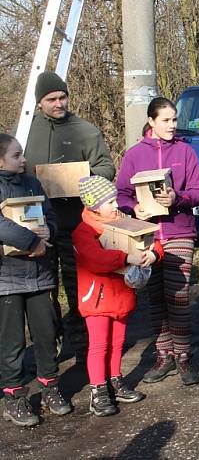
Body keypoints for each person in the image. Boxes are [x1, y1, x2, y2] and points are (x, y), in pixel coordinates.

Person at [23, 71, 116, 363]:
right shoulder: (26, 132)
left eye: (62, 97)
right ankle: (50, 342)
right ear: (39, 102)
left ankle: (82, 343)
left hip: (78, 223)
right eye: (51, 99)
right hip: (38, 225)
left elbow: (106, 168)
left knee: (78, 285)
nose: (58, 103)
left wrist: (80, 177)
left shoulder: (85, 131)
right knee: (44, 286)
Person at [117, 97, 199, 386]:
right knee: (155, 297)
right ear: (151, 121)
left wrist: (177, 199)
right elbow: (122, 195)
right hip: (147, 235)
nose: (172, 125)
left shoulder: (185, 151)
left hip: (179, 232)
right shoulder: (133, 155)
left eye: (174, 119)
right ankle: (163, 354)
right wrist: (134, 209)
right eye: (166, 120)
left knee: (177, 295)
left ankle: (183, 355)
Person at [0, 133, 72, 427]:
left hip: (40, 275)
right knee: (12, 341)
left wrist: (48, 233)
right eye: (17, 155)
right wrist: (32, 241)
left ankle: (50, 387)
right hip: (7, 277)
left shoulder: (32, 182)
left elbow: (50, 215)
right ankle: (14, 396)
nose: (24, 159)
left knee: (45, 335)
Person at [73, 176, 159, 416]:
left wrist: (154, 255)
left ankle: (114, 379)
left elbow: (149, 238)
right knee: (99, 345)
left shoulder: (124, 221)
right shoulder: (84, 231)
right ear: (93, 204)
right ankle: (98, 390)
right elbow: (94, 260)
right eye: (109, 201)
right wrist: (125, 258)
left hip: (120, 296)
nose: (115, 205)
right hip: (97, 299)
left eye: (114, 199)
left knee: (117, 343)